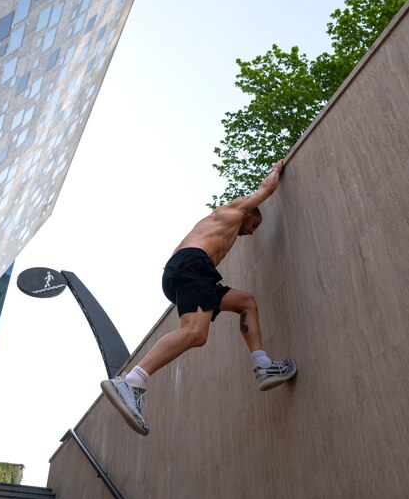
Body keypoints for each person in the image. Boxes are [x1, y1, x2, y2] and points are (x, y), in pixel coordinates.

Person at [101, 159, 296, 435]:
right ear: (251, 213)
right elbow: (265, 190)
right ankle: (132, 381)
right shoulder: (237, 208)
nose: (253, 232)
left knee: (246, 302)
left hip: (192, 271)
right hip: (193, 264)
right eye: (256, 224)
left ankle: (263, 366)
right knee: (195, 332)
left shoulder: (224, 231)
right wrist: (277, 169)